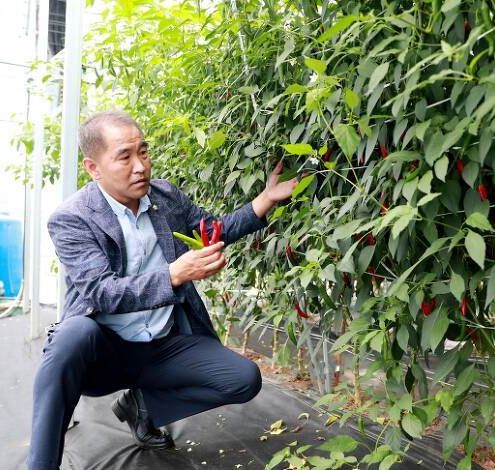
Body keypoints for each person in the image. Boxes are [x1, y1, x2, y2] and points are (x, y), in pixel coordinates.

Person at [27, 110, 300, 470]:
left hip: (164, 345)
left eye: (143, 151)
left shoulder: (164, 197)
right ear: (93, 168)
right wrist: (174, 274)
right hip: (104, 353)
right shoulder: (73, 217)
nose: (140, 165)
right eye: (124, 156)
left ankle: (142, 407)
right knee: (70, 336)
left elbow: (212, 230)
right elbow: (100, 291)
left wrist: (266, 198)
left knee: (243, 379)